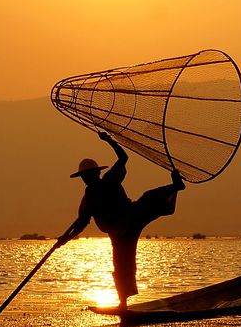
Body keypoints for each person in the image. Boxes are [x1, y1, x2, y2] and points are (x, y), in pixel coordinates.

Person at [56, 130, 185, 312]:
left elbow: (124, 158)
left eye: (89, 175)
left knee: (149, 199)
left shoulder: (109, 180)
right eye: (85, 176)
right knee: (121, 266)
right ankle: (123, 304)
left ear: (95, 174)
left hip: (130, 217)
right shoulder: (88, 198)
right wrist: (65, 238)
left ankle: (175, 187)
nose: (87, 178)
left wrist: (109, 140)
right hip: (119, 234)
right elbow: (81, 223)